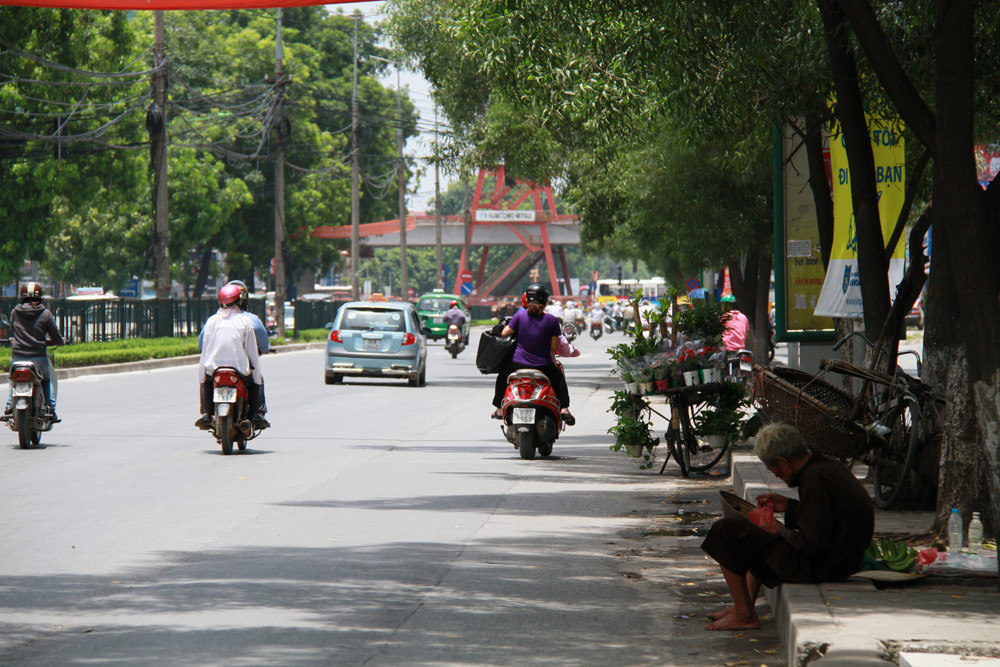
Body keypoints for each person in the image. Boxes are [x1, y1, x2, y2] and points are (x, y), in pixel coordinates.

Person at [700, 423, 874, 631]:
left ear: (782, 461)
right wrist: (789, 507)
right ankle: (744, 606)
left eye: (773, 469)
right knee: (755, 534)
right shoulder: (825, 467)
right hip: (840, 561)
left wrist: (780, 530)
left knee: (724, 531)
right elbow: (825, 518)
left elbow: (813, 544)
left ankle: (744, 615)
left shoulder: (814, 478)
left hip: (824, 566)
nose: (775, 475)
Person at [492, 282, 574, 425]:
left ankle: (499, 409)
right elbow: (554, 346)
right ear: (545, 301)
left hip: (517, 364)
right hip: (544, 366)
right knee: (559, 379)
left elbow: (504, 334)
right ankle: (564, 409)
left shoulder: (520, 316)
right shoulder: (552, 320)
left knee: (502, 377)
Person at [195, 284, 268, 430]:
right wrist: (256, 374)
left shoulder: (211, 321)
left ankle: (206, 414)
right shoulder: (245, 321)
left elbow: (205, 349)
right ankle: (256, 414)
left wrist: (202, 373)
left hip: (214, 369)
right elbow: (252, 352)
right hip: (239, 369)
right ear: (239, 300)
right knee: (257, 380)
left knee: (205, 381)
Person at [4, 282, 65, 421]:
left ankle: (8, 406)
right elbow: (56, 337)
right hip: (38, 357)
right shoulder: (46, 314)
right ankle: (50, 408)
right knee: (47, 380)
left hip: (17, 357)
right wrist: (61, 341)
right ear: (40, 298)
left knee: (14, 380)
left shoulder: (14, 312)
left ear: (22, 297)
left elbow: (14, 330)